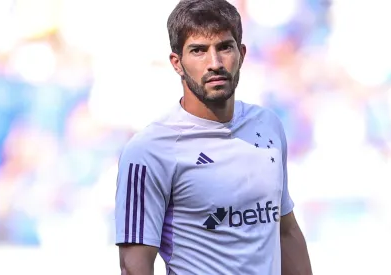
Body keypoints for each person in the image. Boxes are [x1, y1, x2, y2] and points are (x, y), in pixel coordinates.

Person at [114, 0, 313, 274]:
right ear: (177, 63)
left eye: (224, 47)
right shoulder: (149, 150)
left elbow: (286, 231)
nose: (215, 63)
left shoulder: (267, 126)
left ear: (241, 54)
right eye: (198, 51)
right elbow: (133, 265)